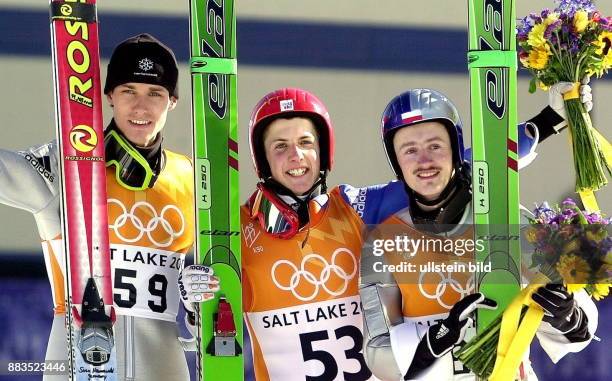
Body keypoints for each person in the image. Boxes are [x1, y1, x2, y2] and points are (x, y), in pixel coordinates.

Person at [178, 84, 592, 380]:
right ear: (262, 160)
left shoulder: (358, 209)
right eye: (280, 146)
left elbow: (454, 169)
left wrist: (549, 119)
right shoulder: (232, 234)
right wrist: (193, 297)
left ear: (323, 151)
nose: (296, 156)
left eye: (306, 142)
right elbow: (202, 335)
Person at [0, 33, 217, 380]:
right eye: (129, 91)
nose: (141, 107)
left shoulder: (192, 178)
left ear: (172, 101)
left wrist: (197, 305)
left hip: (162, 365)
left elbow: (211, 308)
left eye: (155, 93)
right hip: (77, 358)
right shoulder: (69, 164)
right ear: (109, 96)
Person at [358, 88, 599, 380]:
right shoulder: (381, 243)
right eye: (409, 150)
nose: (424, 161)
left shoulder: (508, 220)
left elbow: (581, 329)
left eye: (435, 146)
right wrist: (438, 339)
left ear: (457, 149)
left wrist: (566, 316)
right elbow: (377, 353)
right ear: (397, 163)